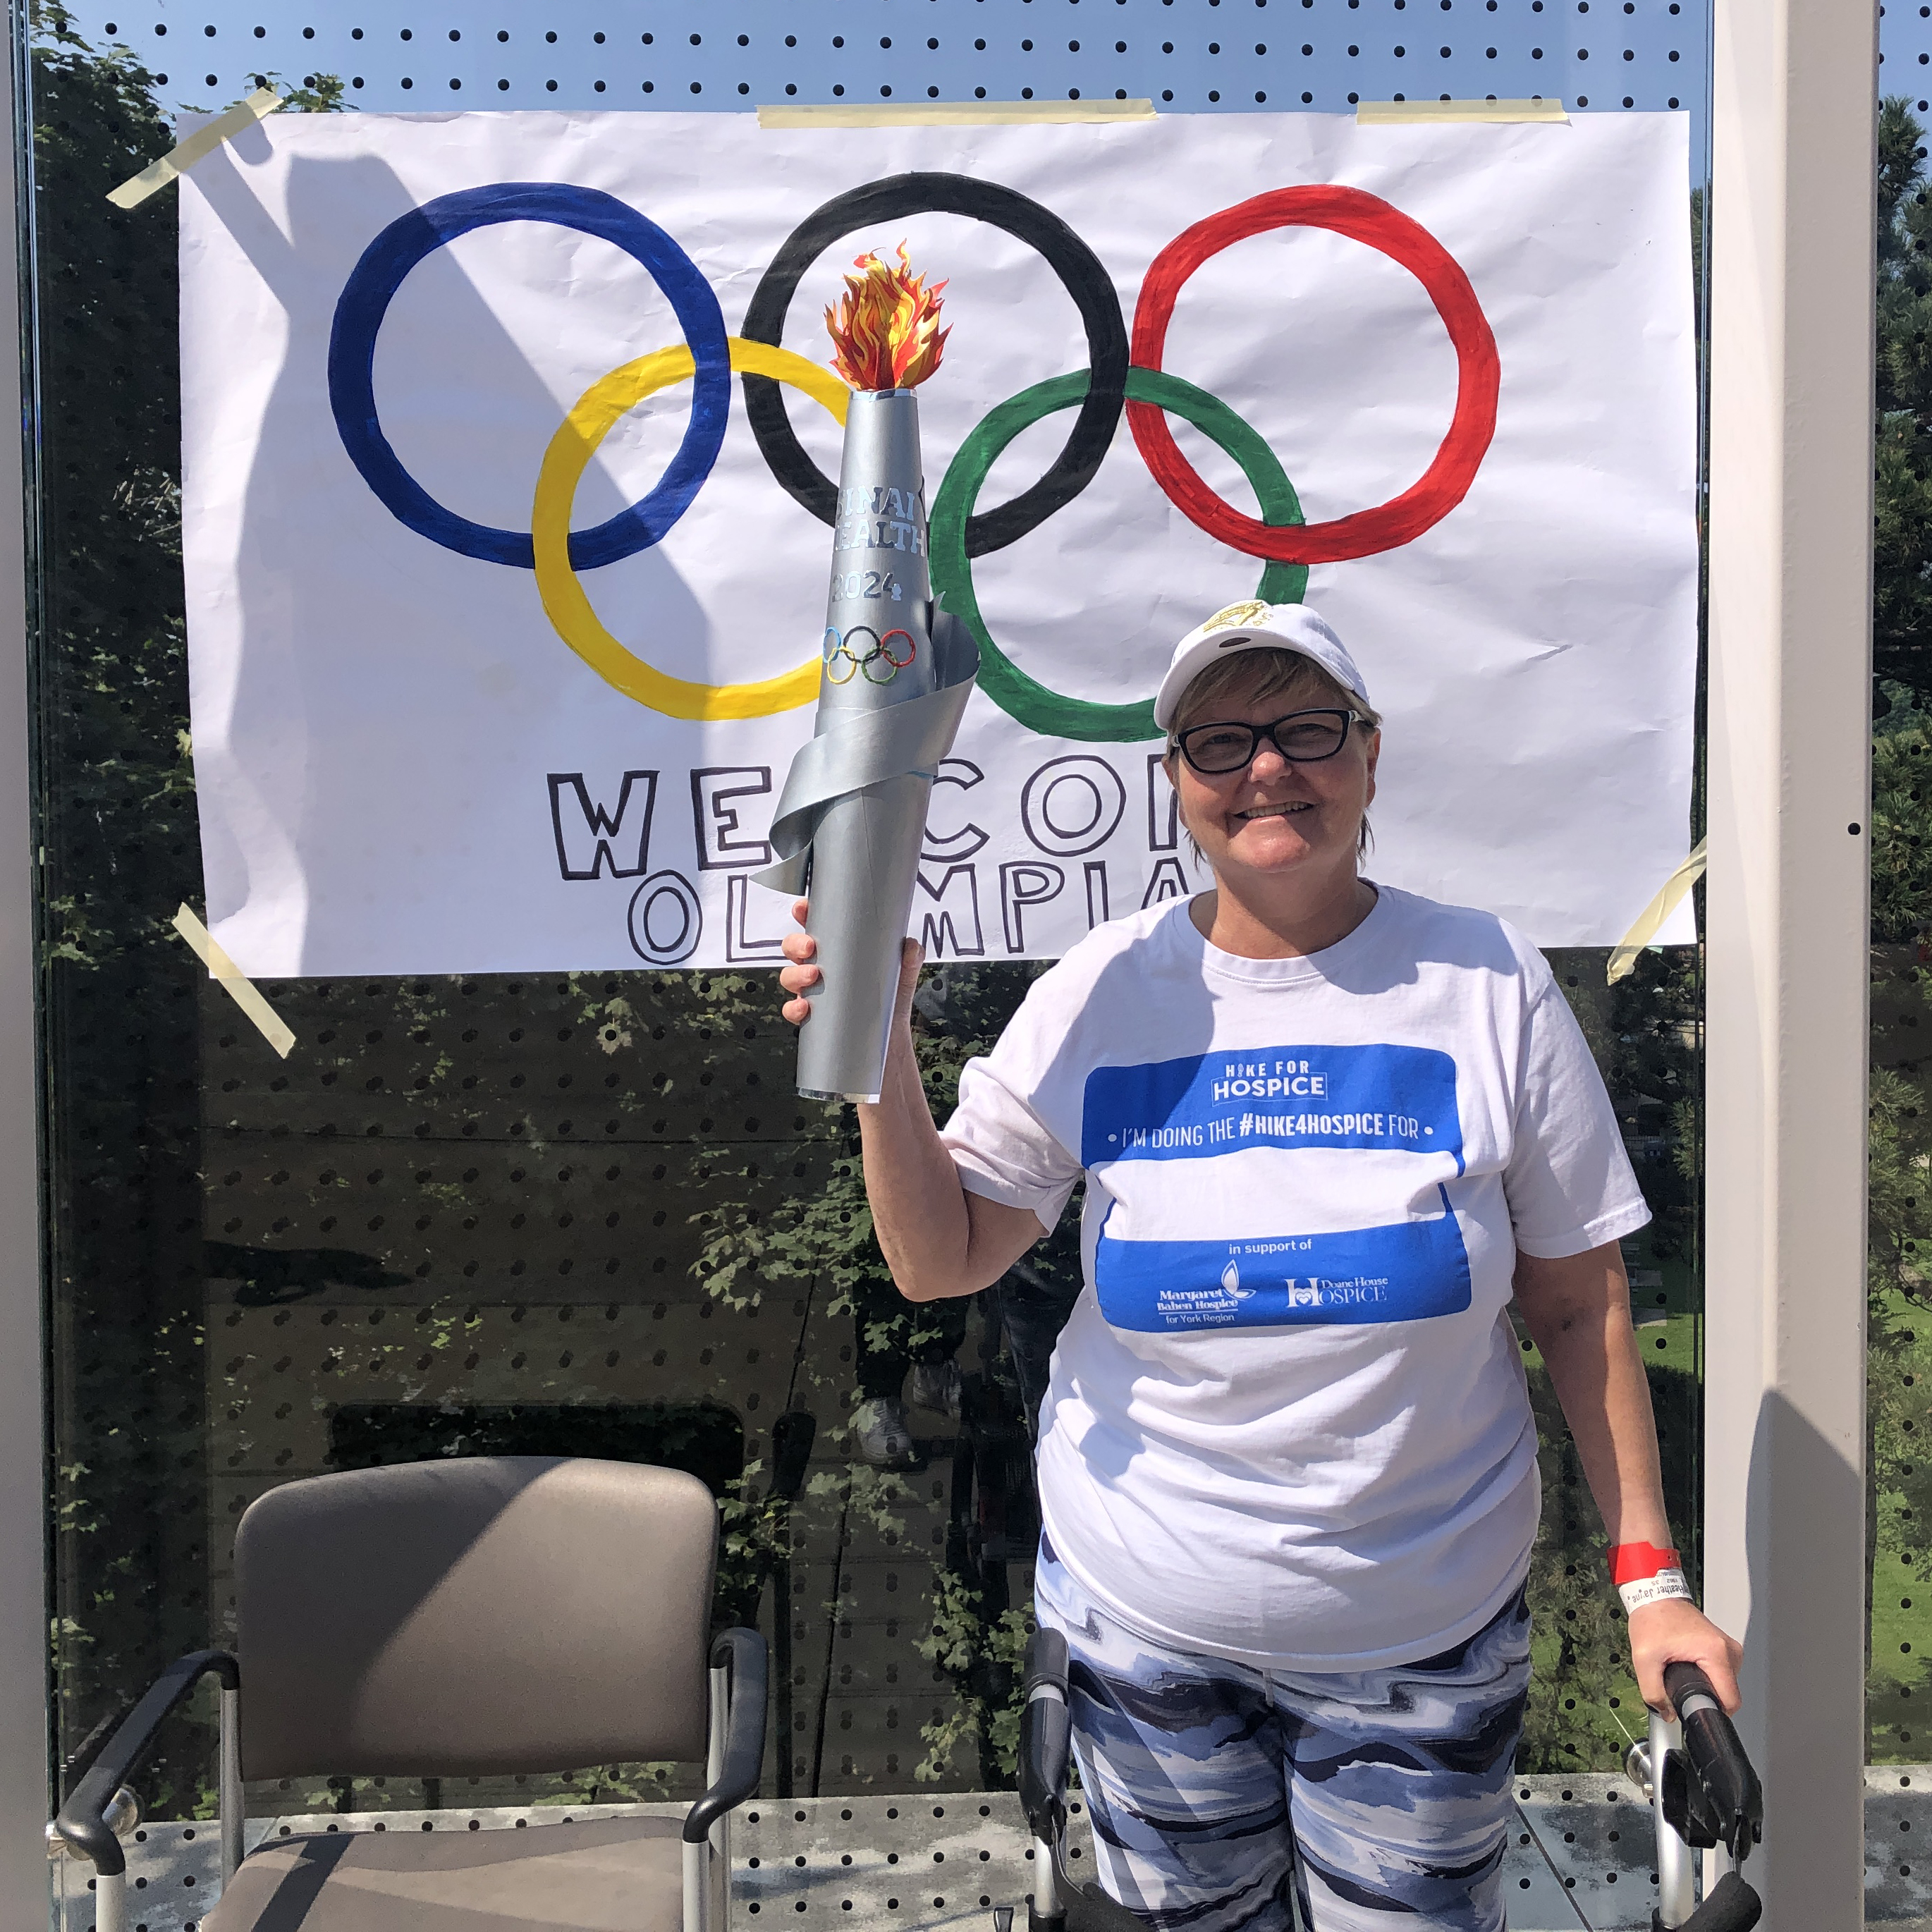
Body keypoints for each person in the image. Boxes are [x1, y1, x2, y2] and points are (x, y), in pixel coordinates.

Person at [778, 601, 1742, 1932]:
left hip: (1427, 1643)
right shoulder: (1104, 988)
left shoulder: (1486, 977)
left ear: (1370, 752)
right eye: (1220, 741)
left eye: (1305, 729)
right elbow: (940, 1258)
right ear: (1176, 781)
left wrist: (1657, 1588)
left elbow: (1580, 1307)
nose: (1266, 769)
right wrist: (880, 1044)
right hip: (1144, 1636)